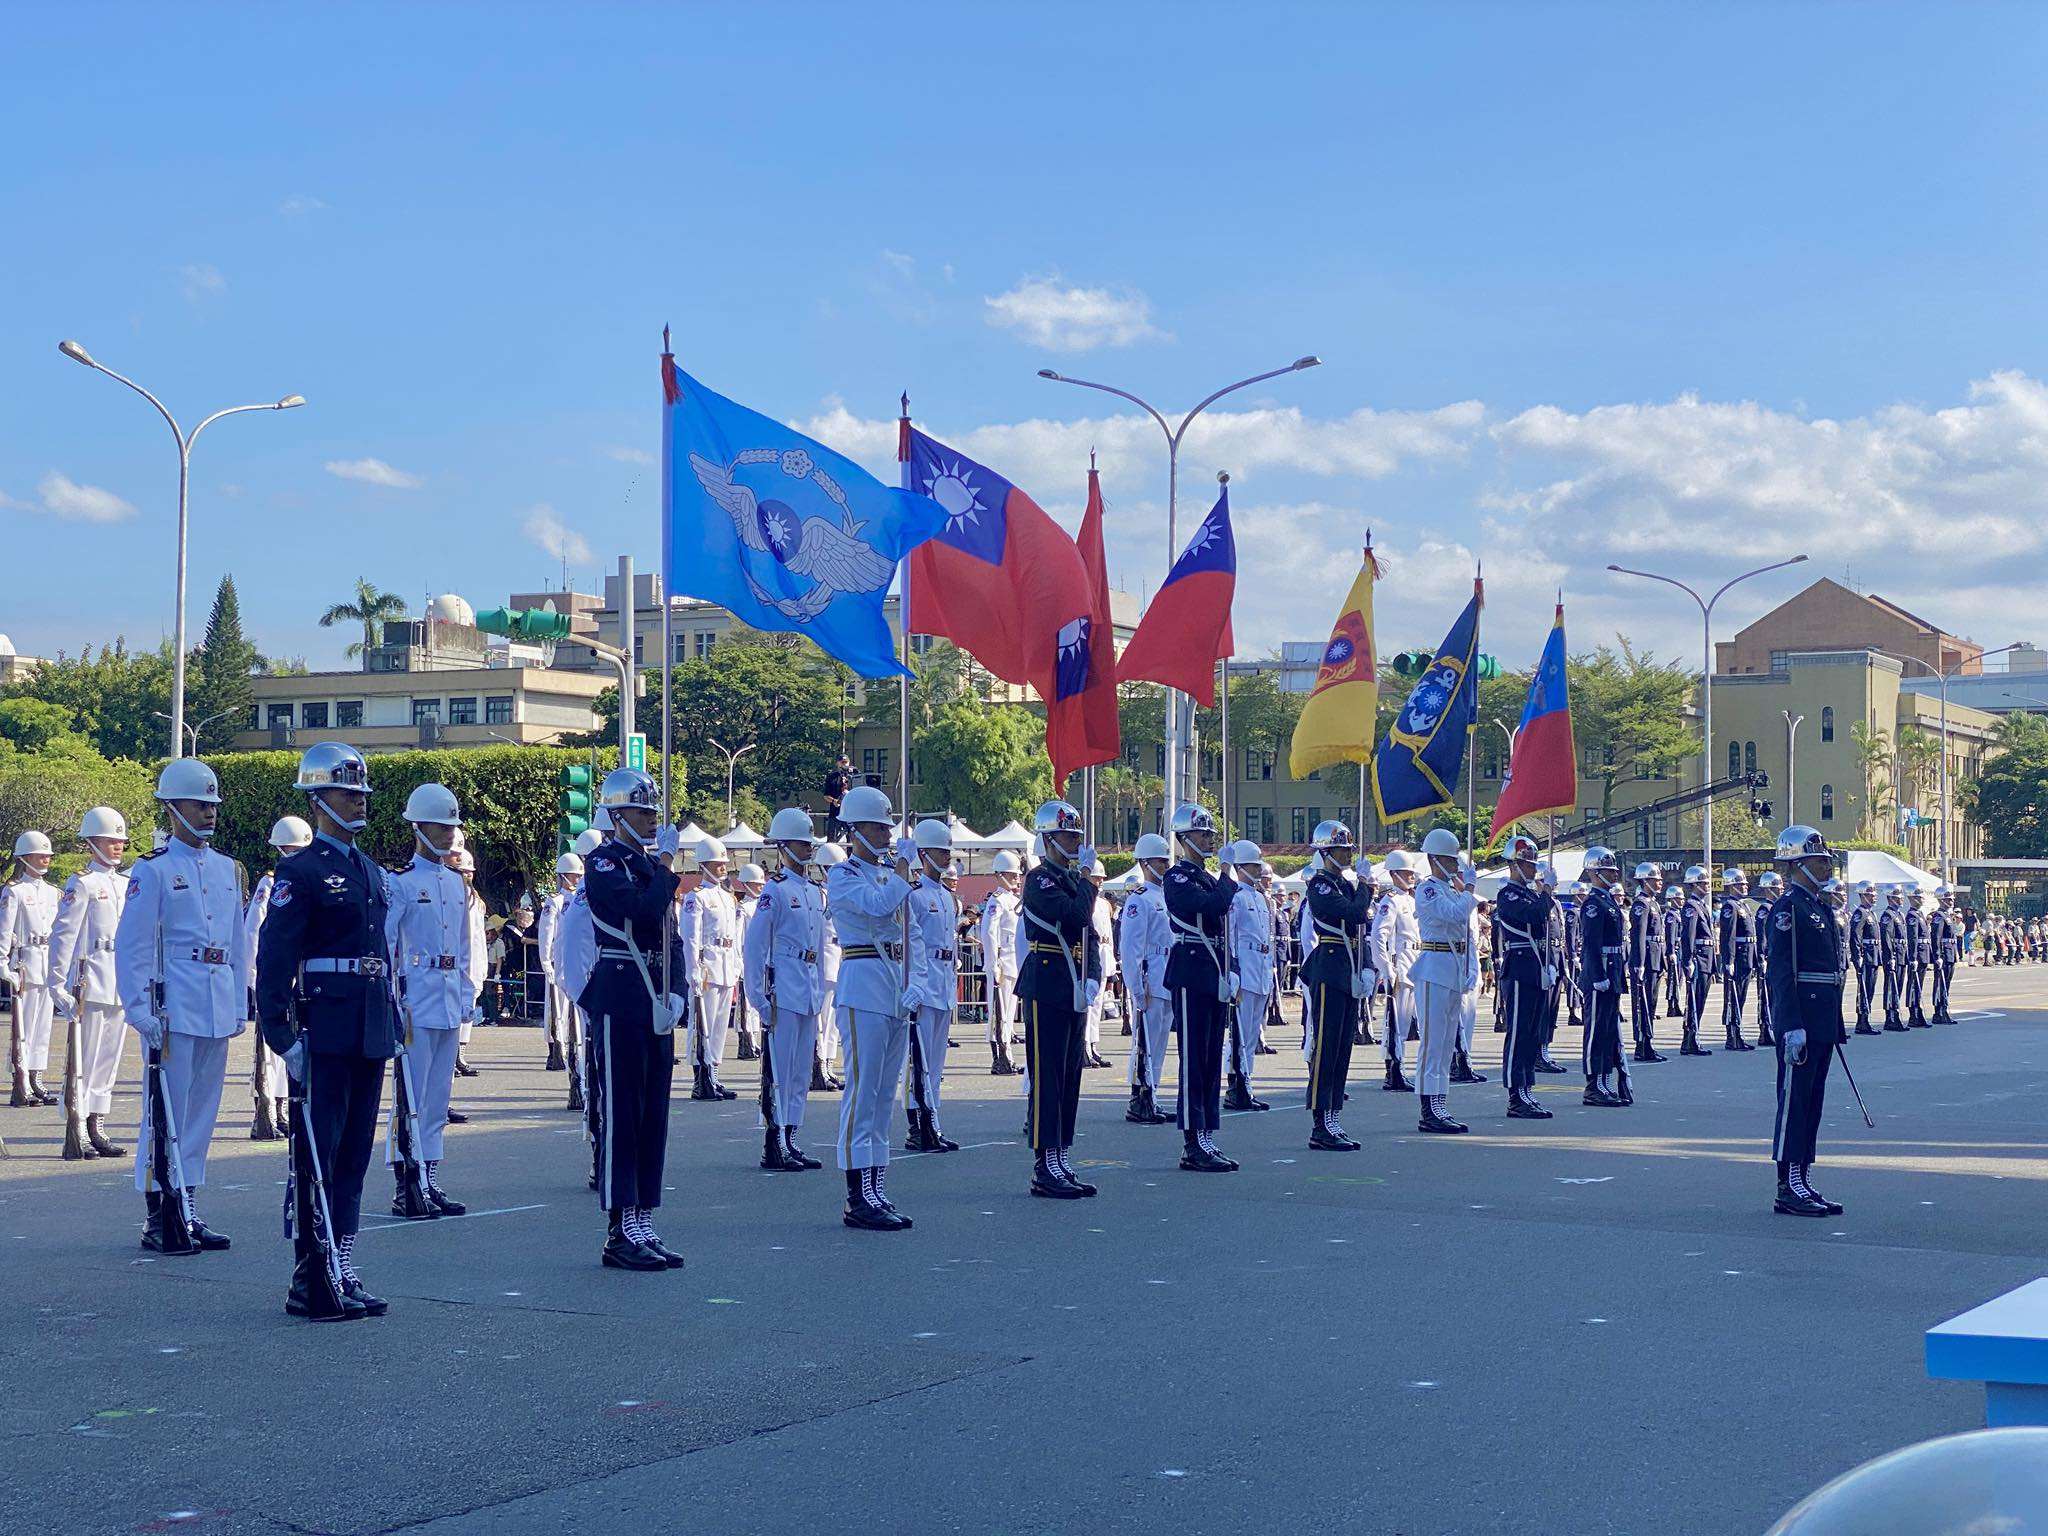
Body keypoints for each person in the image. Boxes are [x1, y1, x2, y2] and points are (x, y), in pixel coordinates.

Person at [254, 743, 398, 1320]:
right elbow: (273, 957)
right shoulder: (301, 870)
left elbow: (378, 949)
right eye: (345, 792)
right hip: (324, 1025)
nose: (357, 801)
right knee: (318, 1153)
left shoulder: (369, 869)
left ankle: (343, 1262)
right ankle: (311, 1275)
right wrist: (281, 1035)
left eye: (361, 792)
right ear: (317, 799)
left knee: (355, 1155)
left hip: (367, 1026)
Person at [114, 759, 245, 1256]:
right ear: (173, 809)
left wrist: (238, 1001)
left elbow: (234, 940)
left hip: (214, 999)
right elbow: (133, 945)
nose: (209, 813)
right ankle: (159, 1213)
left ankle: (188, 1204)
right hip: (173, 1003)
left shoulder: (226, 867)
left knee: (202, 1112)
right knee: (164, 1111)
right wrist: (138, 1007)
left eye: (212, 804)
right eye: (198, 804)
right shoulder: (153, 869)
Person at [580, 768, 684, 1271]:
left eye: (653, 812)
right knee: (622, 1112)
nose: (651, 820)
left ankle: (643, 1217)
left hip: (654, 997)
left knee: (652, 1115)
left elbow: (671, 935)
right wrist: (664, 865)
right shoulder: (601, 862)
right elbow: (641, 914)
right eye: (642, 812)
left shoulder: (647, 866)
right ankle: (619, 1226)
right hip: (621, 992)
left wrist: (680, 989)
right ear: (617, 815)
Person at [825, 784, 916, 1230]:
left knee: (884, 1095)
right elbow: (879, 910)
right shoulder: (842, 876)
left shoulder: (886, 873)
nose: (886, 833)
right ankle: (856, 1194)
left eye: (887, 825)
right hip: (863, 982)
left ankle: (877, 1186)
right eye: (878, 826)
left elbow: (909, 930)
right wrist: (901, 871)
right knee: (861, 1091)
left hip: (894, 984)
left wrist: (914, 982)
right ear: (854, 829)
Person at [380, 783, 471, 1221]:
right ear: (419, 827)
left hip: (449, 995)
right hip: (414, 998)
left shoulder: (455, 883)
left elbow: (466, 945)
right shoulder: (399, 882)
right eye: (440, 826)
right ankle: (406, 1182)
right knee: (410, 1096)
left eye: (452, 826)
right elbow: (385, 944)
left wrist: (468, 993)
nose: (449, 834)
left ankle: (430, 1178)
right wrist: (391, 999)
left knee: (438, 1096)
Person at [1016, 800, 1101, 1199]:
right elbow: (1076, 916)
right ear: (1049, 839)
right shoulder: (1039, 879)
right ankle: (1044, 1161)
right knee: (1047, 1076)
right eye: (1069, 836)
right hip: (1046, 982)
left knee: (1070, 1077)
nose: (1076, 843)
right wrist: (1086, 877)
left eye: (1078, 836)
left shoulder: (1070, 879)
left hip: (1072, 984)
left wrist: (1094, 978)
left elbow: (1092, 938)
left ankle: (1062, 1154)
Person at [1763, 826, 1846, 1218]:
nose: (1827, 866)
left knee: (1812, 1102)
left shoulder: (1819, 906)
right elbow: (1781, 971)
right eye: (1819, 860)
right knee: (1794, 1102)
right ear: (1797, 865)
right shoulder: (1788, 909)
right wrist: (1790, 1023)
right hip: (1802, 1018)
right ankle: (1787, 1184)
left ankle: (1803, 1176)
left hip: (1822, 1017)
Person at [49, 805, 133, 1159]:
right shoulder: (81, 883)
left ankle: (98, 1123)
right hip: (91, 981)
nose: (117, 846)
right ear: (91, 842)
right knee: (84, 1058)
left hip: (119, 983)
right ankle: (78, 1124)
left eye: (120, 840)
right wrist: (57, 983)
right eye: (109, 840)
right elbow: (63, 935)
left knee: (108, 1059)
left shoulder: (126, 884)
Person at [746, 809, 828, 1173]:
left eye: (809, 842)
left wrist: (822, 986)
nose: (807, 848)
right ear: (783, 846)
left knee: (798, 1072)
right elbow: (755, 947)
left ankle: (792, 1137)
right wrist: (757, 998)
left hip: (808, 986)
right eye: (800, 842)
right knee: (778, 1070)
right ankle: (773, 1140)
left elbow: (822, 945)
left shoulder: (813, 891)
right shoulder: (773, 891)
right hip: (783, 988)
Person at [1163, 803, 1239, 1171]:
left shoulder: (1206, 878)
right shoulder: (1177, 877)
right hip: (1191, 970)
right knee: (1194, 1058)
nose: (1209, 839)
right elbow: (1212, 908)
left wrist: (1232, 969)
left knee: (1211, 1057)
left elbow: (1223, 924)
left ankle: (1207, 1134)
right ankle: (1193, 1141)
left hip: (1212, 970)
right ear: (1183, 839)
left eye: (1210, 833)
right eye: (1202, 833)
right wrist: (1226, 874)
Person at [1299, 821, 1374, 1147]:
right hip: (1329, 968)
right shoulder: (1320, 886)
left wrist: (1367, 967)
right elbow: (1356, 914)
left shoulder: (1342, 884)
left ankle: (1333, 1116)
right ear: (1326, 852)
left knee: (1343, 1046)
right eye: (1343, 849)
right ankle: (1319, 1122)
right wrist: (1365, 885)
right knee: (1326, 1047)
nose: (1348, 854)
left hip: (1348, 968)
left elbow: (1361, 930)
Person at [237, 816, 312, 1140]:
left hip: (300, 978)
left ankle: (283, 1108)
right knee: (269, 1053)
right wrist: (255, 978)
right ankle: (267, 1110)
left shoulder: (307, 879)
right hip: (275, 976)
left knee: (291, 1049)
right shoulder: (271, 883)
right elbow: (253, 931)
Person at [1410, 828, 1476, 1134]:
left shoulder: (1452, 889)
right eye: (1450, 859)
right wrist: (1469, 889)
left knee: (1448, 1041)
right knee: (1432, 1041)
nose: (1455, 864)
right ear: (1434, 859)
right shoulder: (1428, 890)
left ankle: (1441, 1102)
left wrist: (1470, 968)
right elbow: (1453, 916)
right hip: (1433, 967)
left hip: (1453, 966)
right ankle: (1428, 1106)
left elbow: (1467, 933)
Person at [901, 819, 961, 1154]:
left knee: (936, 1063)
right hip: (923, 986)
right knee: (918, 1060)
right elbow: (912, 945)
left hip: (944, 981)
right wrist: (915, 984)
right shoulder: (915, 897)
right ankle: (917, 1124)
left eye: (948, 850)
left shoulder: (948, 898)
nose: (946, 855)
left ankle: (933, 1121)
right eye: (940, 850)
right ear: (923, 855)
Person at [1493, 834, 1554, 1121]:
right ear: (1514, 865)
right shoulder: (1508, 894)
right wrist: (1548, 892)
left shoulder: (1530, 892)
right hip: (1518, 969)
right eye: (1528, 864)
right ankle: (1515, 1094)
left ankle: (1527, 1089)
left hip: (1536, 967)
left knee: (1532, 1034)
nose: (1533, 869)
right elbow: (1534, 915)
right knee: (1517, 1034)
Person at [1118, 833, 1175, 1126]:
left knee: (1160, 1041)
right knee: (1145, 1042)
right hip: (1150, 977)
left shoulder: (1165, 897)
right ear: (1144, 863)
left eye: (1166, 860)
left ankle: (1152, 1095)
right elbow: (1130, 949)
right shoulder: (1138, 900)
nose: (1165, 865)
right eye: (1159, 860)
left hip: (1167, 976)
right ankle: (1139, 1098)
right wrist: (1136, 988)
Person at [2, 830, 61, 1109]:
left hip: (47, 963)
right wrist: (3, 964)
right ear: (25, 858)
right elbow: (4, 932)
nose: (46, 859)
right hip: (25, 965)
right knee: (22, 1028)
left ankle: (36, 1077)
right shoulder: (14, 891)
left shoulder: (54, 893)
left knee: (43, 1028)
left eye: (48, 855)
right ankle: (21, 1078)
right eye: (40, 855)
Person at [679, 837, 741, 1102]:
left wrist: (737, 964)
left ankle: (714, 1075)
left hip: (726, 965)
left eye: (724, 863)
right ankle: (700, 1078)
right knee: (701, 1024)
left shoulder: (728, 898)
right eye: (717, 863)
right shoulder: (697, 898)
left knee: (718, 1027)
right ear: (703, 865)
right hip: (708, 966)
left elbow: (734, 936)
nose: (722, 867)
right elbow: (690, 936)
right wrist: (692, 968)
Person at [1221, 840, 1278, 1115]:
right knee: (1240, 1032)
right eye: (1254, 865)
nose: (1259, 869)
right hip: (1244, 966)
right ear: (1240, 867)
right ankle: (1237, 1085)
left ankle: (1247, 1084)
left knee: (1253, 1032)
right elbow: (1230, 935)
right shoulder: (1235, 896)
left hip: (1261, 967)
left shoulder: (1261, 897)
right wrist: (1232, 969)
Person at [1576, 847, 1631, 1107]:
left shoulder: (1608, 901)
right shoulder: (1593, 904)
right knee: (1596, 1030)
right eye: (1609, 870)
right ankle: (1593, 1084)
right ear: (1596, 873)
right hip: (1601, 972)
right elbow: (1590, 943)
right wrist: (1597, 973)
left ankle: (1605, 1081)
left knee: (1608, 1031)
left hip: (1613, 969)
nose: (1614, 873)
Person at [1371, 850, 1422, 1093]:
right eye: (1405, 873)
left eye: (1411, 872)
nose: (1410, 876)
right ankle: (1393, 1070)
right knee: (1395, 1022)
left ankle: (1399, 1066)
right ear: (1394, 874)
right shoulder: (1389, 901)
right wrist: (1386, 967)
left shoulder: (1412, 900)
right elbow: (1379, 936)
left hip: (1415, 964)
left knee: (1405, 1022)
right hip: (1399, 964)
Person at [538, 852, 583, 1075]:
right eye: (573, 876)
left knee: (573, 1011)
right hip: (558, 964)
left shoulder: (582, 898)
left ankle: (573, 1049)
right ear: (563, 876)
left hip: (576, 963)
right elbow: (546, 934)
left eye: (578, 876)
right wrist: (546, 962)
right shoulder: (554, 901)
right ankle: (556, 1050)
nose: (576, 880)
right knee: (556, 1012)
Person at [979, 851, 1023, 1076]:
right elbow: (989, 933)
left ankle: (1009, 1057)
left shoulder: (1014, 901)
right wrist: (993, 964)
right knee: (999, 1013)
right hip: (1002, 965)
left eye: (1017, 874)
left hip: (1013, 963)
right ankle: (1000, 1059)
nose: (1017, 878)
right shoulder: (996, 901)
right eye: (1012, 875)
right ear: (1001, 875)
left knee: (1009, 1014)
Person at [810, 842, 845, 1091]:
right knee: (821, 1020)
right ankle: (818, 1066)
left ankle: (829, 1064)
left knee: (833, 1022)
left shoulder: (841, 894)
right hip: (824, 964)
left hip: (841, 961)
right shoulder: (818, 895)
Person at [1452, 857, 1489, 1085]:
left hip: (1471, 957)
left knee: (1470, 1015)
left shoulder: (1470, 901)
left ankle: (1466, 1059)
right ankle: (1456, 1060)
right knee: (1457, 1016)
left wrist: (1474, 966)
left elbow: (1474, 938)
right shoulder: (1453, 897)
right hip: (1456, 960)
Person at [1627, 863, 1667, 1063]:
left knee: (1651, 1004)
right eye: (1655, 879)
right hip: (1646, 960)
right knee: (1642, 1004)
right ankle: (1641, 1045)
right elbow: (1639, 935)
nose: (1659, 882)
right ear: (1645, 881)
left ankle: (1648, 1043)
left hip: (1656, 959)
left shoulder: (1653, 903)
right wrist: (1639, 963)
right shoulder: (1641, 904)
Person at [1716, 867, 1758, 1052]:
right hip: (1738, 957)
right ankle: (1732, 1036)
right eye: (1741, 883)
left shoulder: (1744, 906)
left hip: (1747, 957)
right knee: (1733, 997)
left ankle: (1738, 1034)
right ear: (1732, 886)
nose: (1745, 886)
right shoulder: (1730, 907)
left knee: (1740, 997)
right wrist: (1729, 961)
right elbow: (1728, 937)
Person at [1677, 865, 1717, 1057]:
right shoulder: (1691, 907)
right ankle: (1690, 1040)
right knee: (1694, 1002)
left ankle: (1692, 1039)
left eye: (1707, 882)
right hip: (1699, 958)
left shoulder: (1701, 905)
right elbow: (1688, 936)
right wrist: (1688, 960)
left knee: (1699, 1001)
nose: (1706, 885)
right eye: (1702, 882)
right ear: (1693, 884)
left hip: (1707, 959)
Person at [1083, 859, 1116, 1070]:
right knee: (1088, 1006)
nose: (1101, 880)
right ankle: (1084, 1047)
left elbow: (1109, 936)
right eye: (1097, 877)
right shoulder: (1085, 899)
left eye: (1102, 877)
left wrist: (1111, 964)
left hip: (1104, 955)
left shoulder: (1103, 904)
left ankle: (1094, 1045)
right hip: (1090, 956)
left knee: (1096, 1008)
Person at [731, 862, 766, 1061]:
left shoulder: (761, 904)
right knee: (746, 1006)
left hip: (761, 961)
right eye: (755, 883)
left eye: (761, 883)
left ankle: (755, 1040)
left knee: (757, 1005)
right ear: (746, 884)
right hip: (746, 959)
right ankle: (747, 1042)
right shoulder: (743, 908)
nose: (760, 886)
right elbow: (737, 937)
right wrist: (739, 963)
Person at [1753, 870, 1783, 1046]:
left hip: (1775, 959)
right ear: (1769, 889)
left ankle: (1771, 1028)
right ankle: (1765, 1030)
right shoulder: (1765, 909)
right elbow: (1762, 936)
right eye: (1777, 888)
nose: (1780, 890)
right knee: (1766, 996)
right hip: (1768, 959)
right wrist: (1762, 956)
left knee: (1774, 997)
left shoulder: (1775, 907)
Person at [1847, 881, 1881, 1035]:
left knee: (1870, 989)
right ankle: (1861, 1021)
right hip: (1866, 956)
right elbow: (1855, 936)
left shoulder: (1871, 912)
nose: (1874, 897)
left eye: (1874, 895)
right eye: (1870, 895)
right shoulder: (1860, 913)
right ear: (1862, 895)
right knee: (1864, 989)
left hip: (1873, 955)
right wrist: (1857, 956)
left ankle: (1865, 1019)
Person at [1879, 884, 1909, 1031]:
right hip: (1894, 955)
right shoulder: (1888, 915)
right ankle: (1890, 1017)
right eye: (1898, 897)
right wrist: (1890, 956)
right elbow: (1887, 938)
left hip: (1901, 954)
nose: (1901, 899)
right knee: (1892, 987)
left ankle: (1895, 1013)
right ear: (1891, 898)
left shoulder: (1899, 915)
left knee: (1899, 986)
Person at [1930, 885, 1961, 1024]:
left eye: (1951, 899)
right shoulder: (1939, 916)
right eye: (1948, 899)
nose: (1951, 901)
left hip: (1950, 953)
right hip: (1943, 954)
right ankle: (1939, 1011)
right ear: (1942, 900)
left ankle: (1944, 1008)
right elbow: (1936, 937)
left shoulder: (1948, 916)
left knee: (1946, 983)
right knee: (1940, 983)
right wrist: (1937, 956)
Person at [1905, 887, 1932, 1028]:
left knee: (1919, 985)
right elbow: (1913, 938)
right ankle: (1913, 1014)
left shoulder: (1919, 913)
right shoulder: (1912, 916)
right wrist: (1913, 957)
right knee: (1914, 985)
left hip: (1924, 953)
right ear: (1914, 898)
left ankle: (1918, 1012)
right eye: (1921, 897)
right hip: (1918, 954)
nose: (1923, 899)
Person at [822, 754, 853, 842]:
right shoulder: (832, 777)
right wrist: (834, 801)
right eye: (842, 762)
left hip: (851, 813)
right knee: (832, 840)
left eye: (845, 762)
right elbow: (826, 795)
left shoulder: (854, 775)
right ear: (838, 763)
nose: (844, 764)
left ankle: (850, 855)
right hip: (836, 812)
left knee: (852, 840)